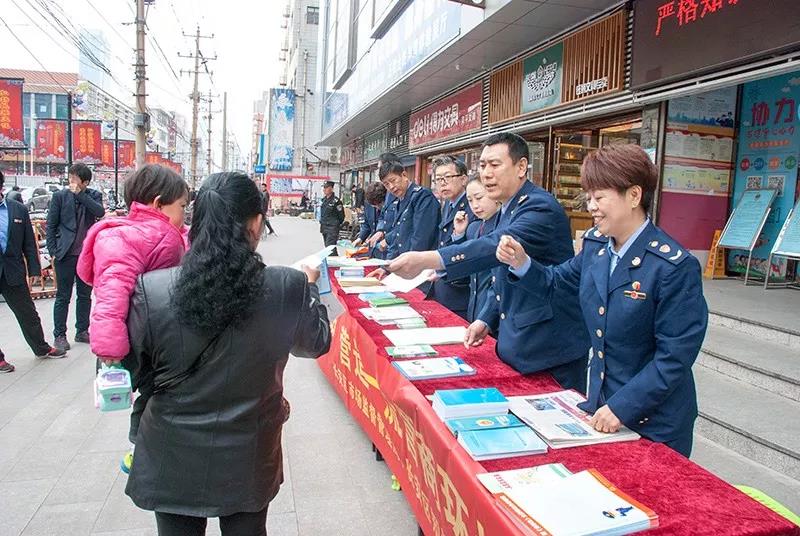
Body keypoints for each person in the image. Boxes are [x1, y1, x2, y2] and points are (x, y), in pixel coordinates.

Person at [124, 171, 331, 536]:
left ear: (197, 221)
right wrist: (311, 289)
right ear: (256, 223)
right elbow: (315, 344)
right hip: (248, 454)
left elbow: (133, 373)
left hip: (172, 452)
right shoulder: (287, 285)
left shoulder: (151, 289)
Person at [496, 144, 708, 457]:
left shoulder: (672, 266)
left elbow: (674, 356)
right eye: (589, 197)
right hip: (601, 408)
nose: (591, 206)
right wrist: (522, 263)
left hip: (655, 422)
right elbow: (558, 282)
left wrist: (622, 406)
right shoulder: (596, 247)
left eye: (599, 197)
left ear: (633, 196)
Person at [387, 133, 589, 392]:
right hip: (519, 341)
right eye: (482, 165)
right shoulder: (507, 207)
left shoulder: (539, 206)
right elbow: (501, 274)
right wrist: (485, 318)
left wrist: (428, 259)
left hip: (550, 349)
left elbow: (492, 247)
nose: (486, 173)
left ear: (521, 167)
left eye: (495, 165)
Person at [77, 164, 190, 473]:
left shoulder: (152, 233)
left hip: (154, 333)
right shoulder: (134, 238)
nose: (185, 214)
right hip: (136, 340)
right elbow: (110, 298)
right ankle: (139, 448)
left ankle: (144, 446)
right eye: (182, 206)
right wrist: (111, 351)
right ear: (158, 203)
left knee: (157, 392)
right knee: (155, 394)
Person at [0, 170, 66, 372]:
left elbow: (29, 242)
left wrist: (35, 269)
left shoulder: (18, 210)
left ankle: (41, 347)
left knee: (28, 313)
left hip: (12, 271)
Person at [46, 163, 105, 351]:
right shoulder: (60, 197)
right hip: (65, 253)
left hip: (86, 254)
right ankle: (59, 334)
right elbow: (51, 225)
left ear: (85, 182)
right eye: (70, 177)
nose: (70, 181)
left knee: (84, 295)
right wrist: (53, 250)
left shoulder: (93, 195)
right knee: (63, 296)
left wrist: (80, 194)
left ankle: (82, 330)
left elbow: (99, 212)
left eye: (74, 178)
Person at [424, 155, 474, 319]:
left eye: (447, 177)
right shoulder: (448, 204)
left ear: (463, 179)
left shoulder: (472, 206)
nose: (442, 183)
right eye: (438, 179)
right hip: (443, 287)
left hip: (460, 291)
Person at [452, 175, 500, 325]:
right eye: (470, 200)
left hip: (495, 315)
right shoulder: (473, 228)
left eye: (479, 198)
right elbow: (465, 269)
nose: (475, 205)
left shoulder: (503, 228)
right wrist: (459, 234)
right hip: (474, 309)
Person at [376, 158, 440, 261]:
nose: (391, 187)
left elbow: (421, 239)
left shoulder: (422, 196)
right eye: (386, 184)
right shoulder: (400, 200)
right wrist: (389, 264)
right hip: (405, 262)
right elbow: (397, 236)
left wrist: (407, 263)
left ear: (404, 175)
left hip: (420, 263)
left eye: (393, 180)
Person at [353, 181, 387, 257]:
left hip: (386, 248)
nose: (376, 207)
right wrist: (360, 238)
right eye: (373, 205)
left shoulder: (389, 207)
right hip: (373, 248)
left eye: (379, 204)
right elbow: (366, 224)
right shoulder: (368, 204)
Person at [319, 180, 344, 248]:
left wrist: (335, 224)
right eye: (324, 187)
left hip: (332, 228)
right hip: (324, 227)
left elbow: (341, 216)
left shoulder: (336, 201)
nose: (324, 189)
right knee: (327, 248)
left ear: (331, 189)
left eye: (326, 187)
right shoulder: (324, 200)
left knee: (330, 248)